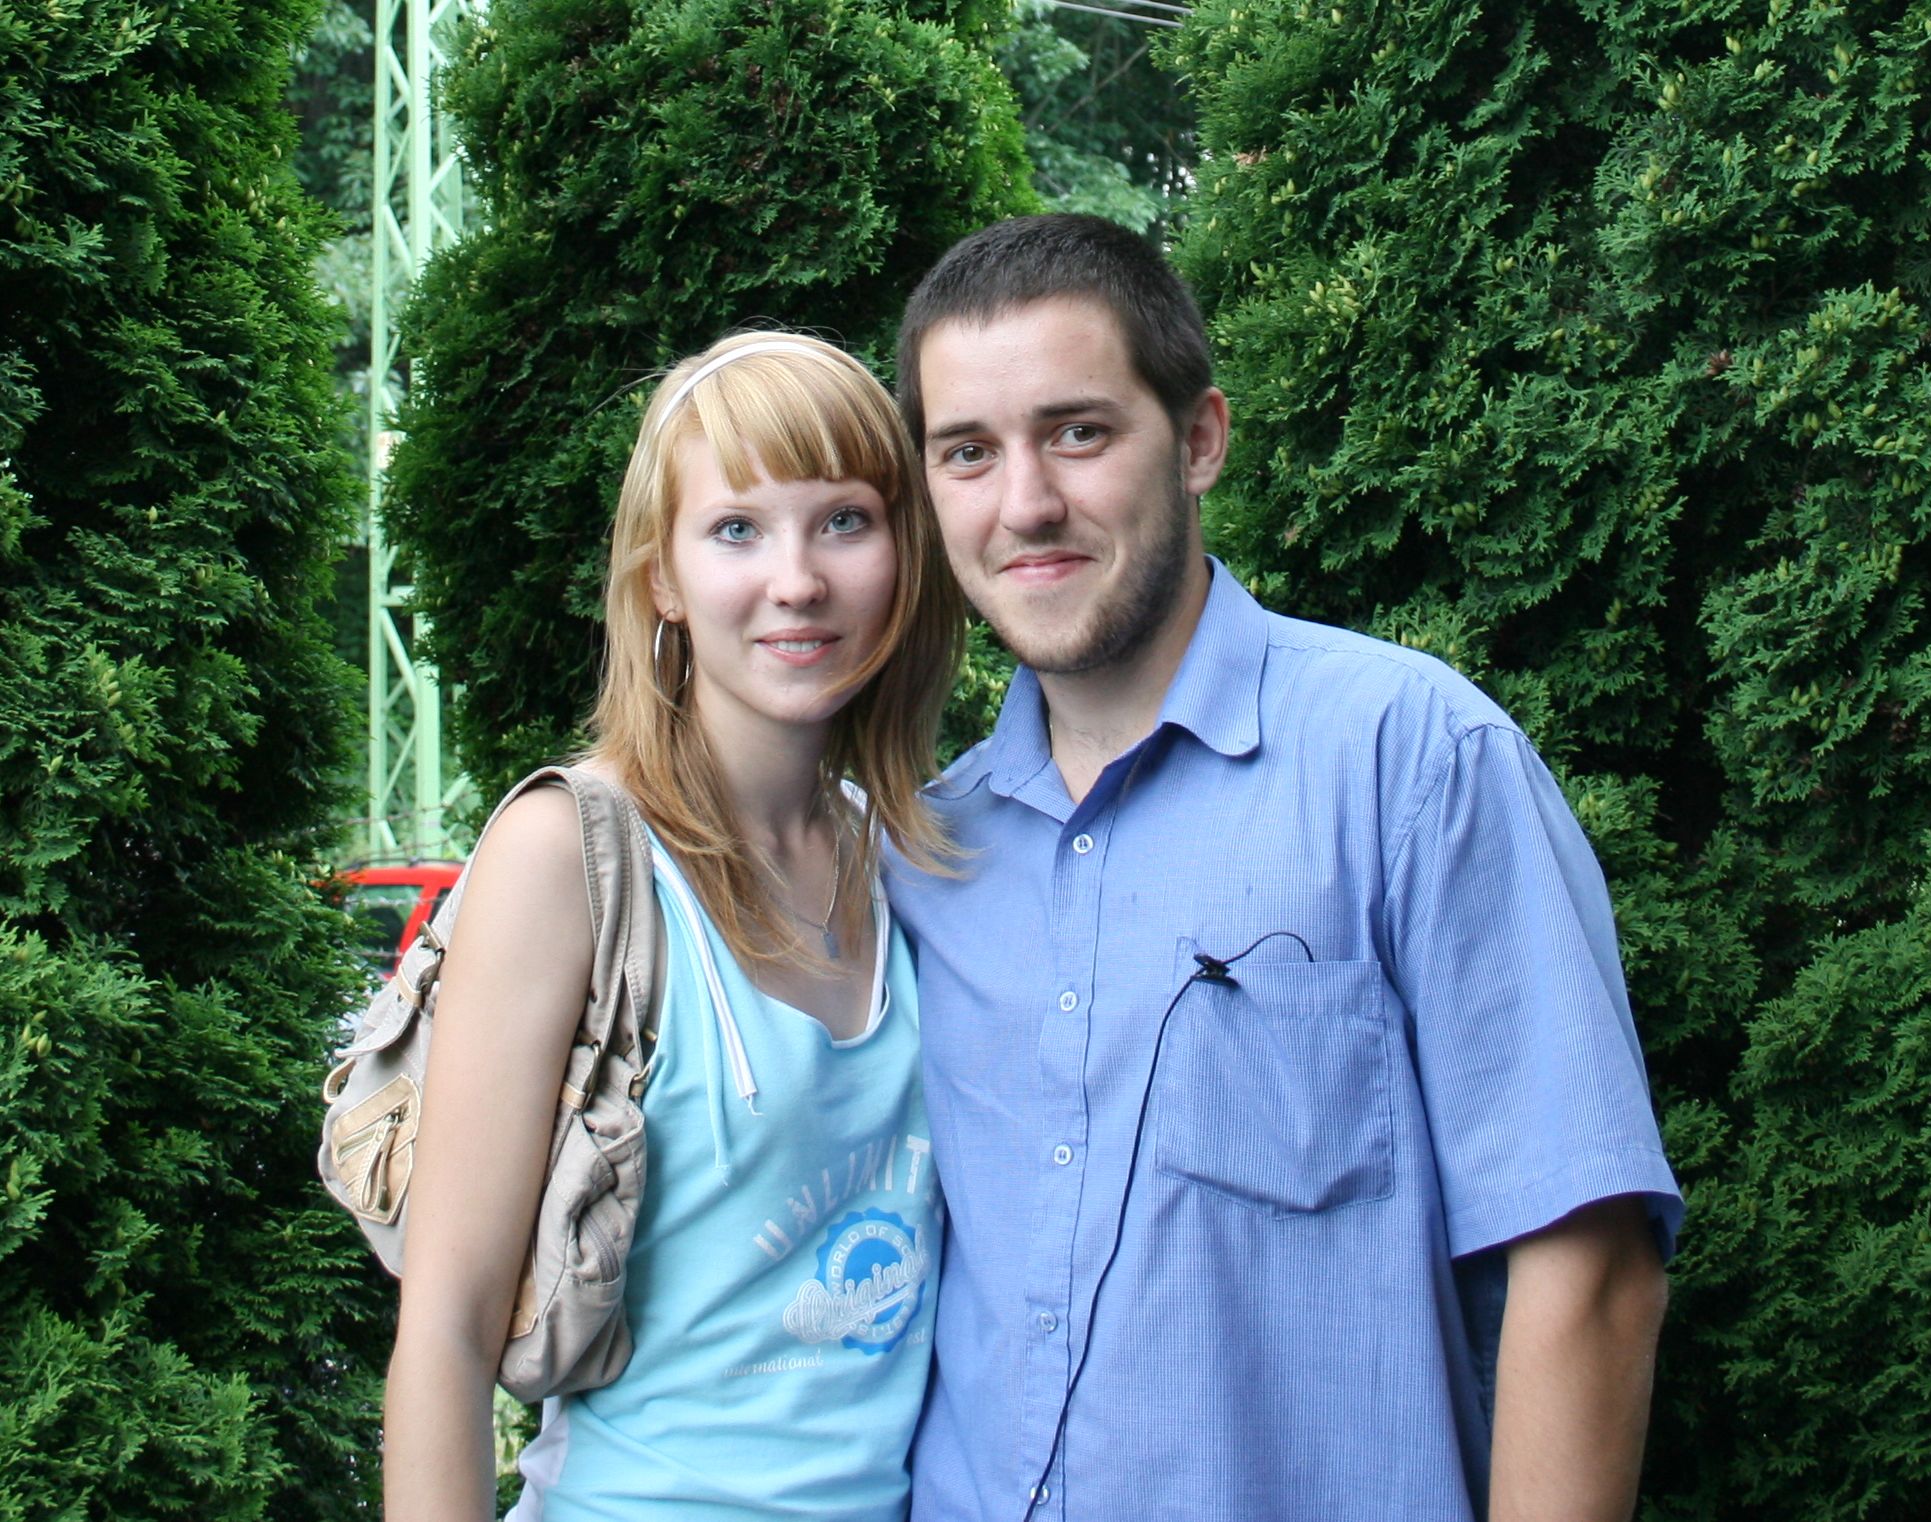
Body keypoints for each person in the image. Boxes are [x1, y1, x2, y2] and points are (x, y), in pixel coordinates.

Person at [886, 214, 1683, 1522]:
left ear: (1199, 439)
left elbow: (1588, 1268)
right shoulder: (925, 852)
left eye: (1077, 432)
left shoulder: (1410, 763)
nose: (1023, 503)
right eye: (966, 451)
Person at [382, 331, 963, 1522]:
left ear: (904, 553)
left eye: (844, 521)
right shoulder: (566, 857)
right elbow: (444, 1333)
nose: (797, 579)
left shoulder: (908, 855)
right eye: (736, 529)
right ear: (661, 577)